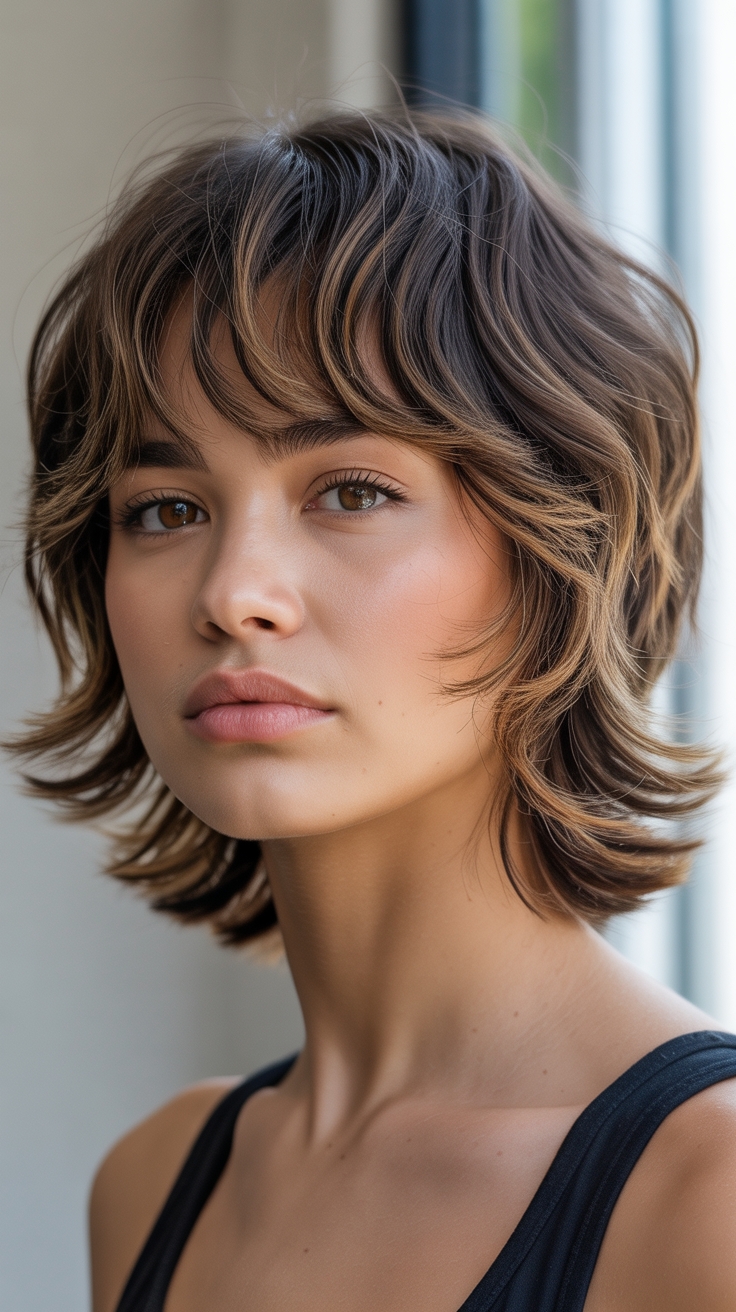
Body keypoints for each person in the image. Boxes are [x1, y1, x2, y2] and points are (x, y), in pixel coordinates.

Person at [8, 108, 736, 1312]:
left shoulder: (706, 1196)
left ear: (564, 549)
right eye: (165, 508)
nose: (235, 594)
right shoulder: (154, 1185)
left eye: (350, 489)